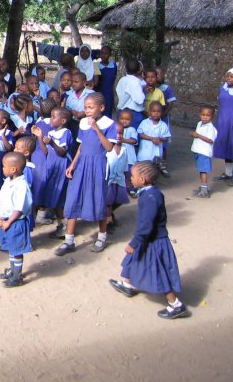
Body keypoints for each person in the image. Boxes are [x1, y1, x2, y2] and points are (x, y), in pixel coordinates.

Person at [109, 162, 189, 320]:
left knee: (158, 271)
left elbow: (147, 224)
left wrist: (135, 242)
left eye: (133, 176)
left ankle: (175, 304)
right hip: (148, 238)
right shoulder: (149, 192)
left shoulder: (150, 197)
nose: (131, 178)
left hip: (153, 241)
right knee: (133, 260)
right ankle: (128, 284)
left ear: (143, 179)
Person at [56, 92, 117, 256]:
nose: (87, 111)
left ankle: (101, 237)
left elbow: (109, 147)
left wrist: (97, 129)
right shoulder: (83, 123)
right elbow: (81, 147)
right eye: (85, 107)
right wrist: (73, 164)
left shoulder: (109, 124)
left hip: (98, 165)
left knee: (99, 199)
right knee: (73, 198)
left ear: (102, 108)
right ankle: (69, 240)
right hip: (82, 164)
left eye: (91, 107)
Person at [0, 152, 33, 288]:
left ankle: (17, 276)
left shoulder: (21, 186)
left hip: (15, 222)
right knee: (11, 248)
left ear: (13, 169)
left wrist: (8, 222)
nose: (2, 169)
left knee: (16, 250)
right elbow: (1, 199)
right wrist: (0, 217)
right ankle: (12, 271)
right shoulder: (8, 181)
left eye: (4, 166)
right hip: (5, 221)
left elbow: (19, 208)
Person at [42, 107, 72, 239]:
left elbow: (63, 152)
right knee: (53, 196)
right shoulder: (51, 132)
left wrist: (52, 142)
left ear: (63, 120)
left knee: (60, 196)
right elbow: (46, 151)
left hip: (61, 167)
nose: (51, 118)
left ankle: (64, 226)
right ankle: (61, 225)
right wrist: (40, 138)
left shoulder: (66, 132)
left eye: (54, 116)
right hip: (51, 166)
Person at [136, 101, 171, 177]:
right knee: (143, 167)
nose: (156, 113)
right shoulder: (145, 122)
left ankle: (152, 182)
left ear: (162, 113)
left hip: (156, 151)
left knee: (154, 168)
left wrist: (160, 139)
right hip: (145, 151)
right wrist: (152, 138)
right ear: (149, 112)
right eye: (154, 111)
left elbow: (166, 137)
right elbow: (140, 134)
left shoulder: (163, 125)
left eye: (158, 111)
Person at [190, 105, 217, 198]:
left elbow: (210, 140)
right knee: (201, 171)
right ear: (199, 115)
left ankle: (204, 190)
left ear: (212, 116)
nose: (205, 117)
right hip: (198, 151)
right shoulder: (199, 123)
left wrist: (198, 136)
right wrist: (194, 135)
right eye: (203, 114)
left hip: (204, 153)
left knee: (203, 171)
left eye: (208, 115)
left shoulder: (211, 128)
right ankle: (203, 186)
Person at [115, 59, 146, 128]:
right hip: (133, 114)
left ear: (126, 68)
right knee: (133, 136)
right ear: (138, 70)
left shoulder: (122, 80)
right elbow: (140, 100)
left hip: (121, 112)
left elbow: (118, 90)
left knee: (122, 134)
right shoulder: (135, 82)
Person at [117, 109, 139, 198]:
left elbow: (134, 141)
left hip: (129, 157)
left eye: (127, 119)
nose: (124, 121)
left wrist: (124, 140)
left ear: (131, 120)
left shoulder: (132, 130)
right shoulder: (117, 128)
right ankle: (122, 189)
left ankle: (132, 189)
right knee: (120, 173)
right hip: (120, 157)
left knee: (129, 174)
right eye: (122, 119)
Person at [96, 46, 117, 117]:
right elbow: (96, 82)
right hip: (100, 92)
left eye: (106, 53)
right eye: (101, 53)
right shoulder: (96, 65)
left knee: (108, 113)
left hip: (109, 93)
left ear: (110, 54)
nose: (103, 55)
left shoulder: (113, 65)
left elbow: (113, 79)